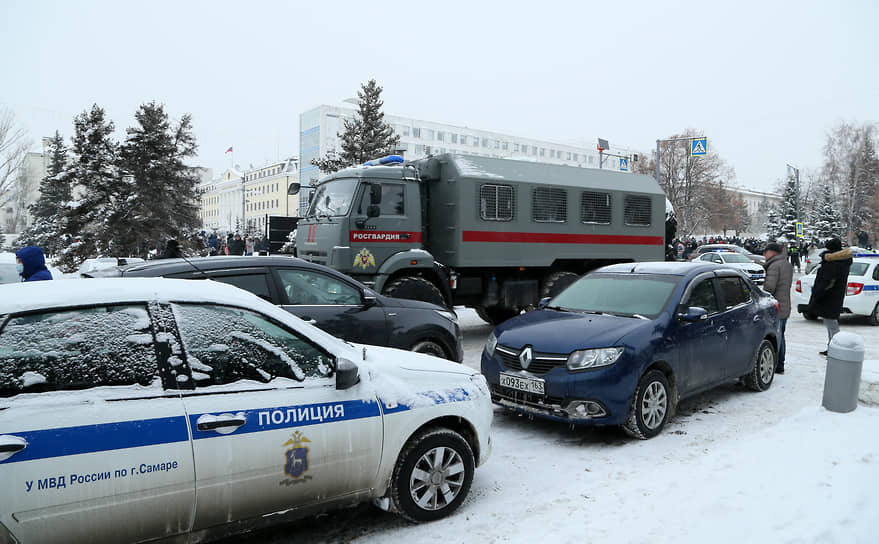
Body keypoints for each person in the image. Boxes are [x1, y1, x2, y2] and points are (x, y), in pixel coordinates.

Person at [806, 238, 852, 356]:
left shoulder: (833, 263)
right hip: (834, 296)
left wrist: (817, 294)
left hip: (829, 297)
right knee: (830, 322)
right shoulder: (842, 261)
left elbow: (827, 282)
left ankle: (836, 347)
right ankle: (832, 346)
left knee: (831, 323)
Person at [762, 242, 793, 373]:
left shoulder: (774, 266)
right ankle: (780, 363)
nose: (764, 254)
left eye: (766, 251)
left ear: (773, 252)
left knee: (777, 336)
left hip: (776, 307)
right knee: (782, 335)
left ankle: (778, 365)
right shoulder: (787, 264)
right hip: (785, 305)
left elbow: (769, 288)